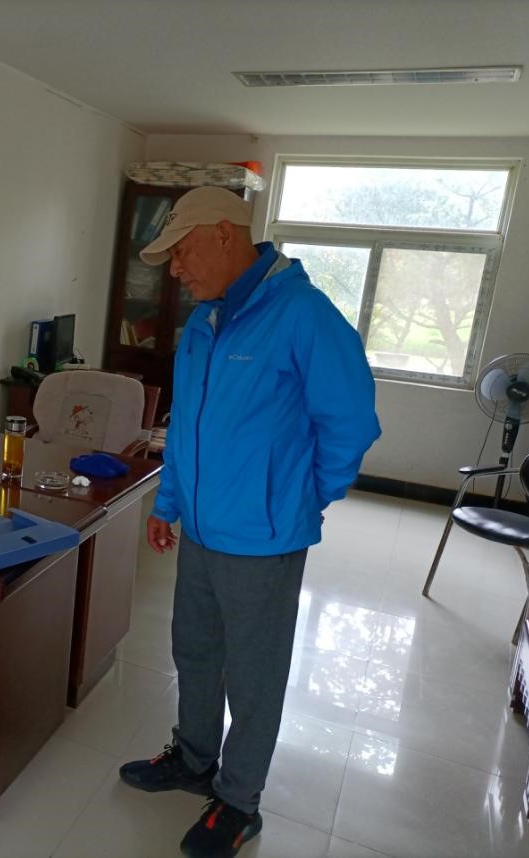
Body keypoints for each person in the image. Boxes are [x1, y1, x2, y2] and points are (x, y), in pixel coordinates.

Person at [117, 187, 380, 858]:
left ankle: (238, 801)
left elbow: (351, 423)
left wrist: (301, 498)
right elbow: (185, 429)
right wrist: (169, 503)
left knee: (253, 676)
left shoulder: (303, 314)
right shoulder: (205, 322)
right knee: (195, 651)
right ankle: (194, 759)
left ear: (225, 234)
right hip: (202, 531)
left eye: (181, 251)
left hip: (263, 538)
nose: (176, 270)